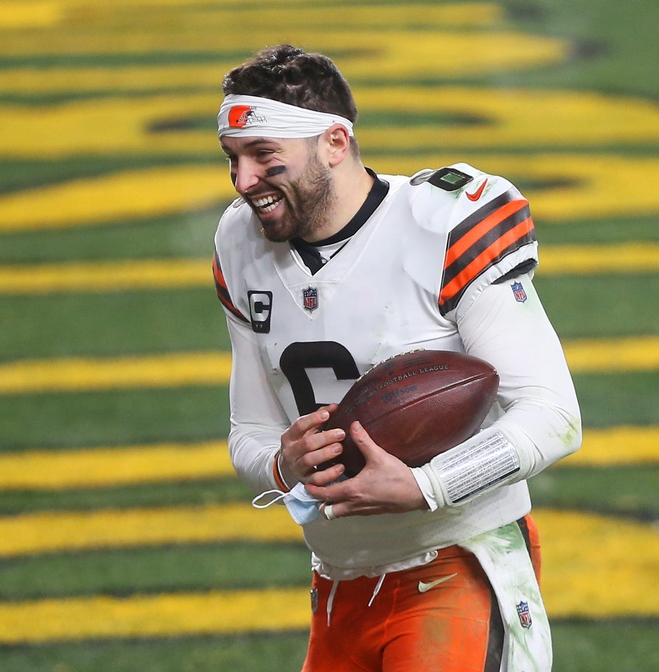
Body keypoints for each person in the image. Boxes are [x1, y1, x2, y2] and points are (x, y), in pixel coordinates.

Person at [211, 44, 581, 672]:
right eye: (233, 159)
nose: (244, 181)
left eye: (265, 157)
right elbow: (248, 434)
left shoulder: (442, 223)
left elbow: (553, 414)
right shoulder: (240, 242)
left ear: (334, 142)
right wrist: (284, 463)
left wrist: (426, 485)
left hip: (457, 564)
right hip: (337, 584)